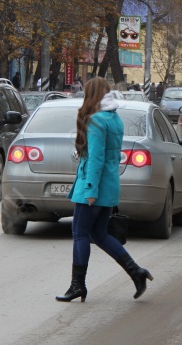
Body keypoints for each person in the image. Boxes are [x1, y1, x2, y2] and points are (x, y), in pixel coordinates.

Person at [56, 76, 153, 302]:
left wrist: (90, 189)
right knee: (99, 234)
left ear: (91, 95)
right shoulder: (114, 118)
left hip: (93, 186)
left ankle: (77, 285)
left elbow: (97, 159)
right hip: (109, 185)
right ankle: (136, 272)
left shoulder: (97, 121)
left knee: (80, 234)